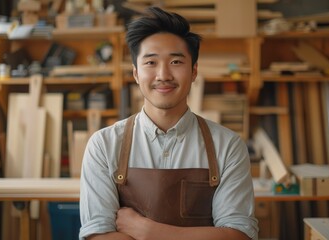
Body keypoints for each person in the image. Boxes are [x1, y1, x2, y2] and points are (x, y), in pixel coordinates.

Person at [79, 6, 258, 240]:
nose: (163, 75)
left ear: (194, 72)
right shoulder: (104, 145)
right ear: (135, 74)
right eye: (151, 63)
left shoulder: (227, 145)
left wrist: (148, 231)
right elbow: (99, 236)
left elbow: (238, 235)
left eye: (175, 62)